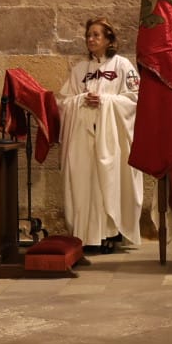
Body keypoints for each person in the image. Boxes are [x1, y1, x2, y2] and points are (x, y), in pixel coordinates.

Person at [57, 17, 144, 253]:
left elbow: (135, 99)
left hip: (111, 137)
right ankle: (88, 235)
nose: (91, 39)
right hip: (84, 139)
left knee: (109, 182)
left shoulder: (122, 66)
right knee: (86, 185)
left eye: (96, 35)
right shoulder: (80, 70)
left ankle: (111, 233)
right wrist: (81, 100)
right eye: (88, 35)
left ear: (108, 39)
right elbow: (64, 103)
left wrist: (105, 101)